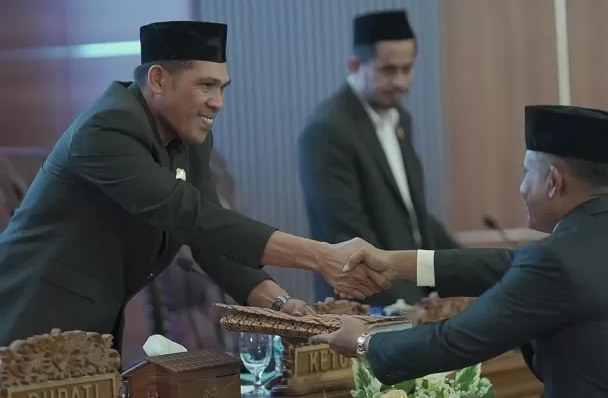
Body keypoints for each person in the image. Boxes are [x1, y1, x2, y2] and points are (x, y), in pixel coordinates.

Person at [0, 21, 391, 354]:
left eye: (223, 87)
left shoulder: (190, 137)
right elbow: (192, 216)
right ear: (158, 79)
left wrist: (280, 304)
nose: (218, 102)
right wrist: (321, 256)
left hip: (93, 322)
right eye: (206, 85)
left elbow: (210, 240)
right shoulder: (106, 129)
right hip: (30, 317)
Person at [314, 105, 608, 398]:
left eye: (527, 172)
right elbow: (509, 266)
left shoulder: (558, 260)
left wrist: (364, 342)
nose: (522, 187)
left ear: (553, 181)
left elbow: (455, 340)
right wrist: (395, 262)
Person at [298, 9, 461, 307]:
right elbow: (348, 236)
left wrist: (469, 272)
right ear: (355, 65)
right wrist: (411, 305)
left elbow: (412, 217)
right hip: (364, 306)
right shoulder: (327, 131)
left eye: (407, 69)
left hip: (411, 299)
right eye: (388, 70)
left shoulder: (400, 119)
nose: (401, 82)